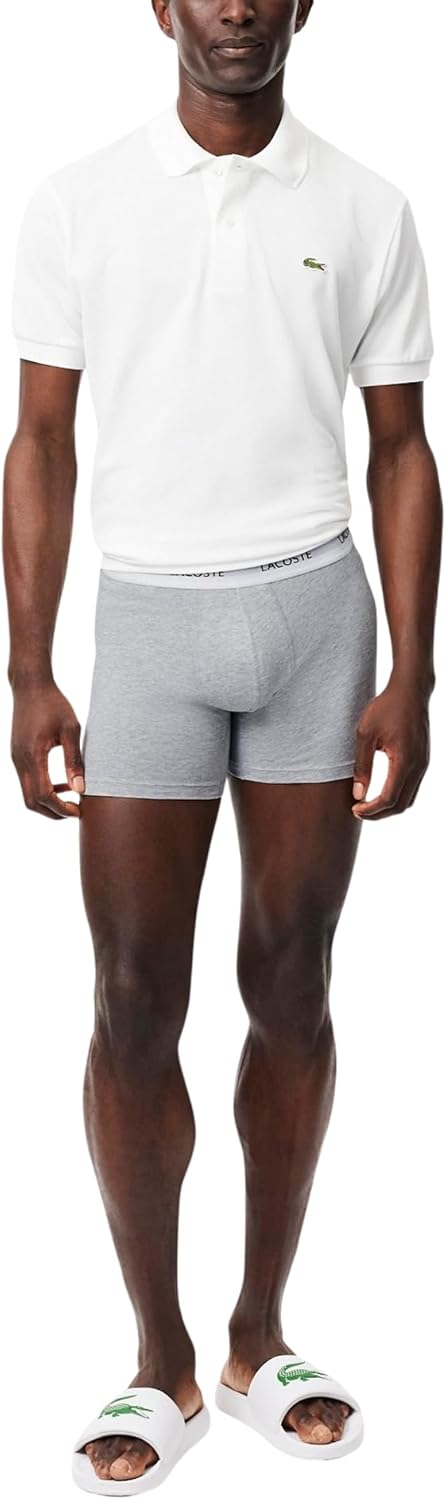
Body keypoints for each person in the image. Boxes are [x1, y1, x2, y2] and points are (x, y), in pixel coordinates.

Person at [3, 0, 442, 1489]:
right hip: (149, 626)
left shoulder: (368, 206)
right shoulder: (77, 201)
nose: (236, 5)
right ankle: (158, 1362)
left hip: (315, 619)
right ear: (161, 9)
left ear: (303, 4)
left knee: (293, 983)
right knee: (133, 998)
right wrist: (30, 671)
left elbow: (400, 447)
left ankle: (258, 1338)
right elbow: (40, 441)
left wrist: (412, 673)